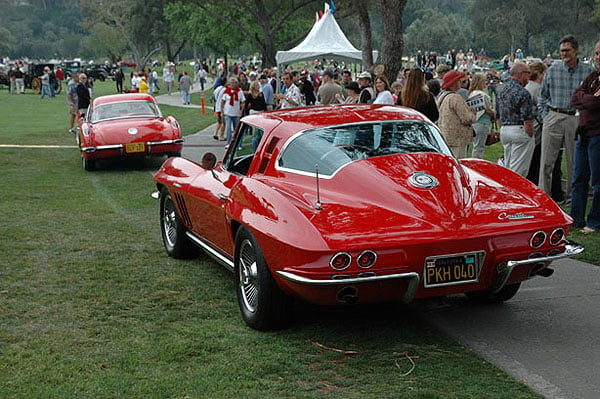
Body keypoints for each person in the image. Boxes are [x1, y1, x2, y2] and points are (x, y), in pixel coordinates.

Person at [538, 35, 594, 203]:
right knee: (546, 161)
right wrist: (545, 116)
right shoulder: (553, 69)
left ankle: (572, 198)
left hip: (575, 118)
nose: (564, 53)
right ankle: (544, 198)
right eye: (562, 50)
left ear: (576, 50)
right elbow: (542, 96)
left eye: (567, 50)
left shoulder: (587, 71)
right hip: (554, 115)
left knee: (574, 162)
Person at [569, 40, 600, 234]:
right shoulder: (593, 76)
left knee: (598, 182)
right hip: (583, 133)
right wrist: (589, 99)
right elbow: (575, 98)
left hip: (598, 135)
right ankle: (576, 218)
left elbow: (596, 104)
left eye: (599, 54)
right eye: (596, 54)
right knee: (579, 177)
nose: (597, 58)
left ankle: (595, 222)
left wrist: (586, 100)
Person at [497, 63, 534, 177]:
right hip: (519, 129)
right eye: (528, 73)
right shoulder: (524, 93)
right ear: (521, 74)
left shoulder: (501, 90)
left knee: (508, 167)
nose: (529, 76)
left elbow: (497, 114)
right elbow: (527, 118)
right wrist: (530, 134)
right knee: (518, 172)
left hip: (505, 130)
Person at [436, 70, 476, 158]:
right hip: (457, 139)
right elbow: (466, 118)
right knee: (458, 163)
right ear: (453, 83)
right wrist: (473, 114)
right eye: (458, 81)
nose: (460, 82)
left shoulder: (443, 96)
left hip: (446, 136)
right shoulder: (456, 98)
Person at [524, 62, 548, 184]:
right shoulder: (538, 89)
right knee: (536, 160)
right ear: (540, 73)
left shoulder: (528, 86)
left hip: (530, 126)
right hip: (537, 128)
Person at [467, 74, 495, 159]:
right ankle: (476, 163)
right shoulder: (481, 95)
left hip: (475, 122)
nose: (485, 83)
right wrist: (494, 113)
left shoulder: (472, 94)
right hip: (482, 122)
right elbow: (487, 109)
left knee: (477, 145)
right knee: (479, 147)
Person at [221, 77, 245, 144]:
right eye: (231, 83)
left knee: (236, 129)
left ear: (236, 84)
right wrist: (222, 112)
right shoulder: (226, 92)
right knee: (228, 128)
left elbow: (243, 102)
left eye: (233, 83)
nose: (232, 84)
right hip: (228, 113)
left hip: (236, 113)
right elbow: (222, 102)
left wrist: (241, 110)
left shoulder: (239, 92)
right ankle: (228, 143)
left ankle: (238, 144)